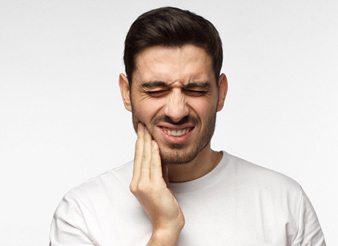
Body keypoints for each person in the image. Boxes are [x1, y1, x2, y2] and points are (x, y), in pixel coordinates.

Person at [49, 7, 326, 246]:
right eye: (156, 89)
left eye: (195, 89)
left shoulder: (285, 203)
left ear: (221, 93)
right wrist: (165, 231)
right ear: (126, 92)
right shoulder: (82, 213)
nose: (177, 111)